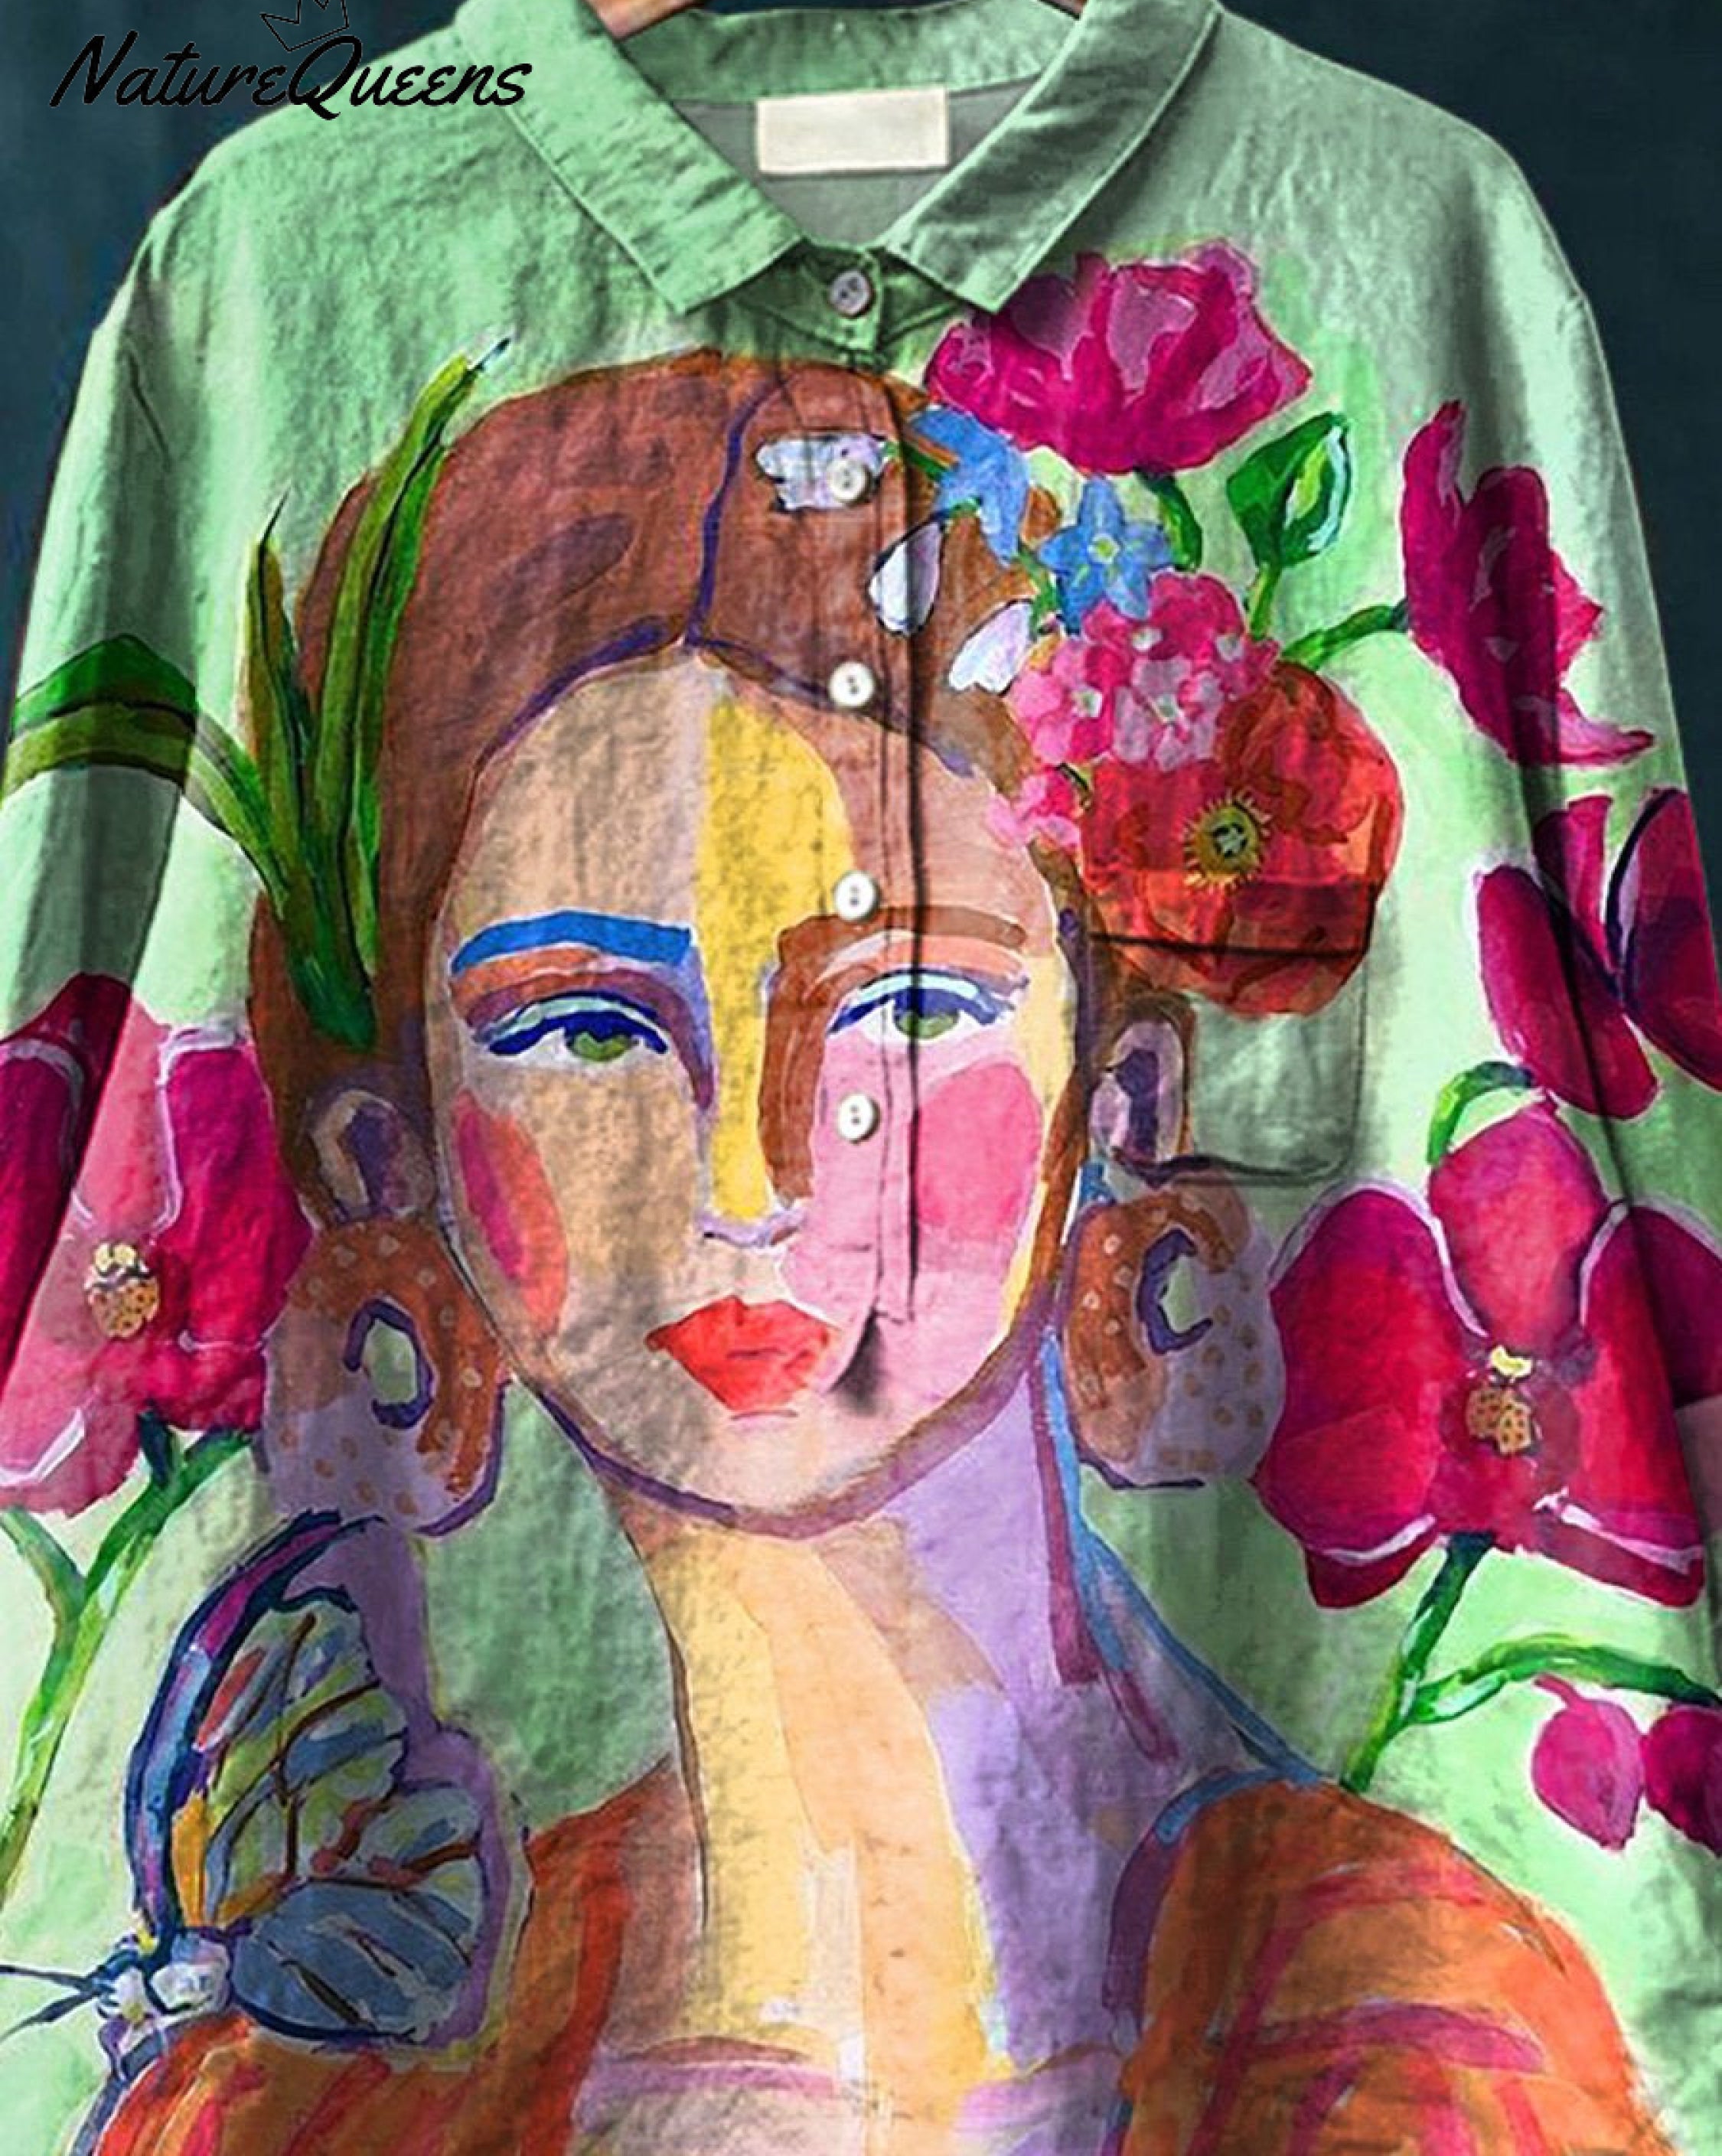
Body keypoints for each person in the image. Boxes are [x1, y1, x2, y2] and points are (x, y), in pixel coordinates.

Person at [73, 346, 1677, 2154]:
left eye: (906, 1005)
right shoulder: (301, 2081)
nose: (748, 1176)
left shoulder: (1404, 2026)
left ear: (1120, 1092)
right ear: (398, 1148)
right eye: (588, 1028)